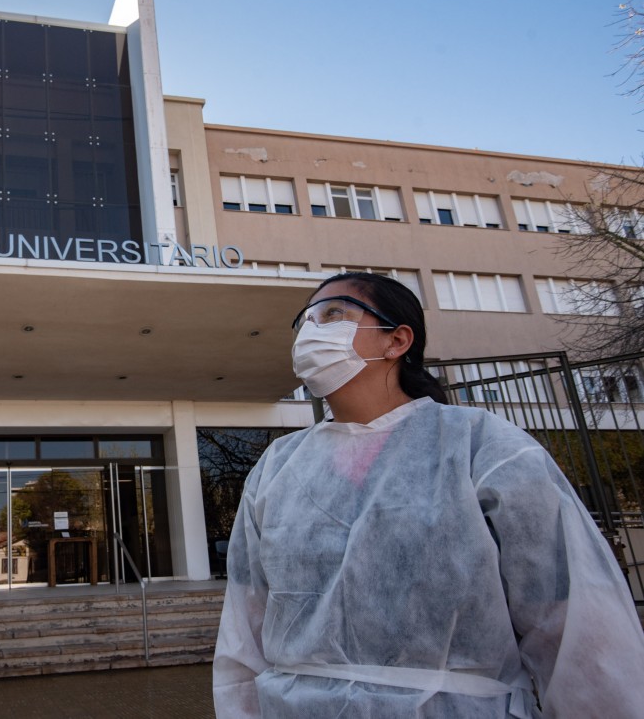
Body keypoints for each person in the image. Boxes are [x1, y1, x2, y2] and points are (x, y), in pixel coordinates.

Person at [213, 271, 644, 718]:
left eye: (333, 313)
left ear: (396, 341)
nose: (311, 332)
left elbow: (576, 629)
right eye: (305, 322)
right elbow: (244, 634)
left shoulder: (483, 447)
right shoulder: (278, 466)